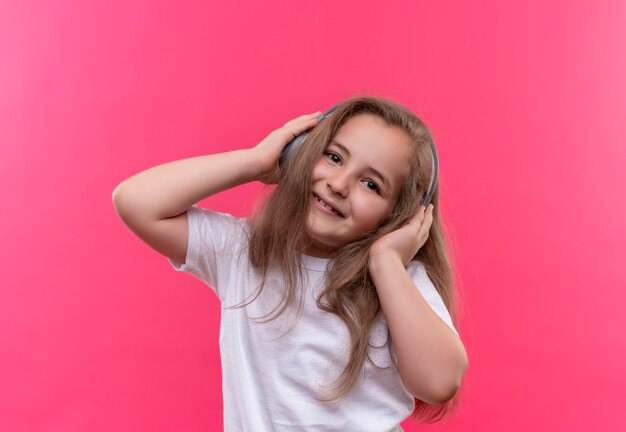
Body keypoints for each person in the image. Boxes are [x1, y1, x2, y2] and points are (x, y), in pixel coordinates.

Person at [112, 96, 469, 431]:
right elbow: (136, 202)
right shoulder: (243, 252)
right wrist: (254, 162)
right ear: (301, 153)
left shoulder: (399, 279)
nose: (340, 184)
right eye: (334, 157)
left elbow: (439, 383)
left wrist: (386, 262)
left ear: (399, 217)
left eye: (372, 185)